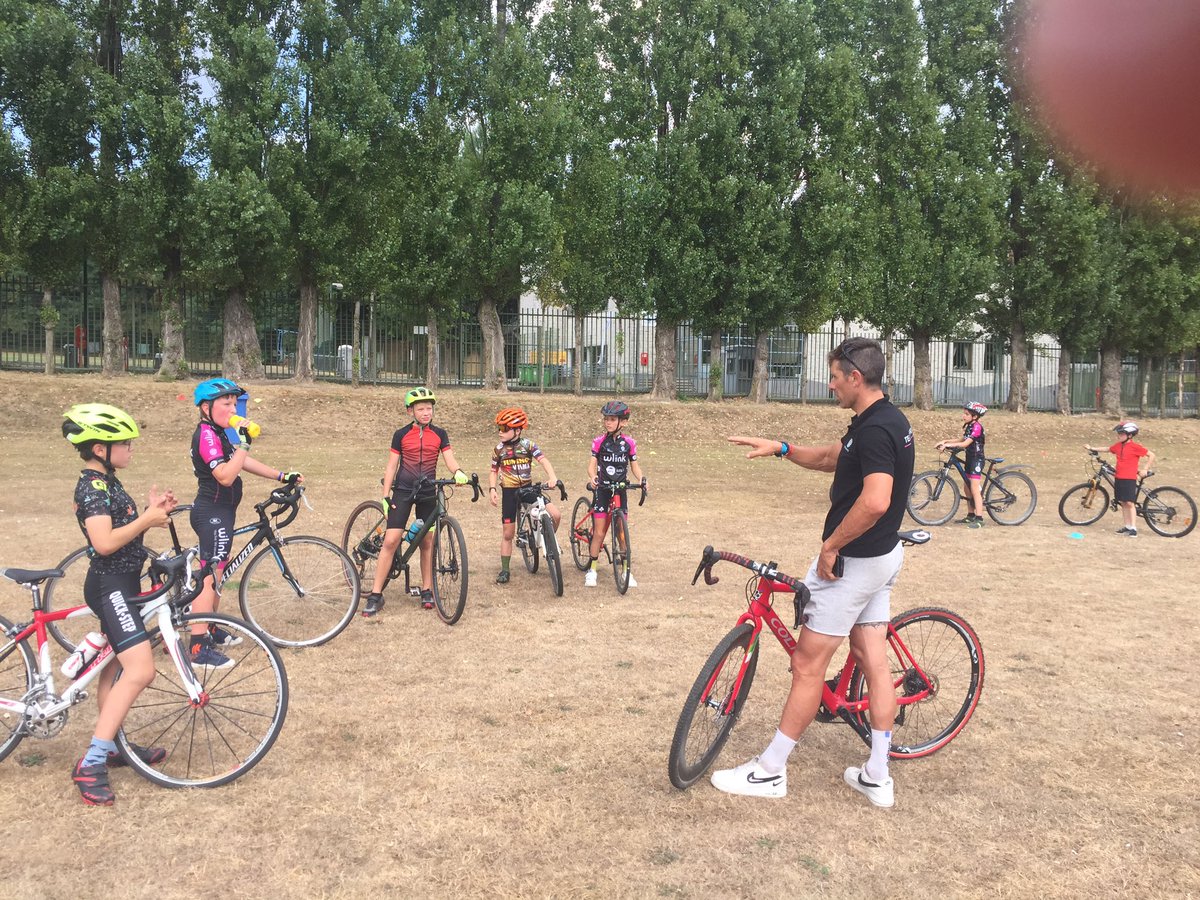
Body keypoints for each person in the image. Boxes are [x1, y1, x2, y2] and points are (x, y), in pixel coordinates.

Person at [712, 337, 914, 808]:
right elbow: (831, 458)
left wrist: (832, 545)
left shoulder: (876, 430)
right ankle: (877, 774)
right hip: (880, 558)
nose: (830, 385)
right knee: (872, 659)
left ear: (856, 378)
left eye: (835, 377)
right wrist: (782, 448)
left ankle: (770, 771)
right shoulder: (884, 420)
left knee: (807, 665)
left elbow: (876, 501)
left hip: (852, 565)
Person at [63, 403, 177, 806]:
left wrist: (151, 510)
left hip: (123, 583)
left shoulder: (107, 482)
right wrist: (146, 520)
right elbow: (104, 542)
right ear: (100, 449)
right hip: (109, 586)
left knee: (113, 671)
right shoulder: (92, 489)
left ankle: (112, 746)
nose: (130, 449)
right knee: (141, 670)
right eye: (124, 443)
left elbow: (122, 528)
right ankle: (91, 763)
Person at [190, 378, 302, 663]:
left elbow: (242, 462)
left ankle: (210, 625)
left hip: (223, 512)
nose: (232, 409)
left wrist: (280, 475)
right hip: (212, 513)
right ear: (206, 408)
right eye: (225, 404)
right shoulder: (207, 435)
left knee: (218, 575)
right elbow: (225, 476)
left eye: (234, 404)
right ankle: (197, 645)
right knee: (209, 577)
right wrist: (244, 443)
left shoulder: (218, 433)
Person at [363, 387, 470, 615]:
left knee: (427, 542)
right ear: (410, 411)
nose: (425, 413)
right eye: (420, 409)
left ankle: (427, 590)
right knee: (391, 541)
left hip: (428, 491)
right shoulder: (400, 434)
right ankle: (375, 595)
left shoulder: (440, 434)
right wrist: (385, 496)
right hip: (403, 490)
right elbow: (392, 466)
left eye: (429, 408)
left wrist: (458, 471)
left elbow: (449, 459)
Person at [489, 407, 561, 584]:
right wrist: (492, 489)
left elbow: (543, 460)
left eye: (504, 428)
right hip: (509, 492)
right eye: (499, 428)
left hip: (528, 489)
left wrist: (552, 477)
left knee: (556, 515)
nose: (500, 432)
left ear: (517, 431)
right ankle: (505, 569)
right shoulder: (498, 450)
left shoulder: (528, 445)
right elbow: (493, 470)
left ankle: (547, 540)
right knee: (508, 534)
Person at [584, 400, 647, 589]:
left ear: (623, 422)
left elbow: (634, 466)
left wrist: (642, 479)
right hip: (602, 490)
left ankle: (626, 571)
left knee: (621, 533)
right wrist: (593, 477)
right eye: (606, 419)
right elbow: (591, 465)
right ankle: (592, 570)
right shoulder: (599, 442)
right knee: (599, 532)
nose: (608, 422)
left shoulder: (629, 443)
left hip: (620, 490)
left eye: (612, 419)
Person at [1086, 421, 1155, 536]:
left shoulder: (1135, 447)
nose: (1119, 436)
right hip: (1119, 477)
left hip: (1129, 478)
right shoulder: (1119, 446)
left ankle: (1133, 528)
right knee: (1123, 502)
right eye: (1119, 433)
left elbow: (1151, 455)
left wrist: (1145, 469)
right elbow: (1108, 449)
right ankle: (1127, 526)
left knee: (1130, 503)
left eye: (1121, 434)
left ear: (1130, 435)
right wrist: (1092, 448)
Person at [935, 401, 988, 528]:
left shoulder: (977, 427)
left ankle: (979, 518)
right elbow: (961, 439)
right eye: (964, 413)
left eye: (966, 414)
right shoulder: (969, 425)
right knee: (967, 487)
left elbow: (965, 444)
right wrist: (945, 441)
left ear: (975, 416)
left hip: (977, 460)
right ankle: (971, 515)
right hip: (969, 459)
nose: (963, 416)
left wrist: (948, 445)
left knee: (974, 488)